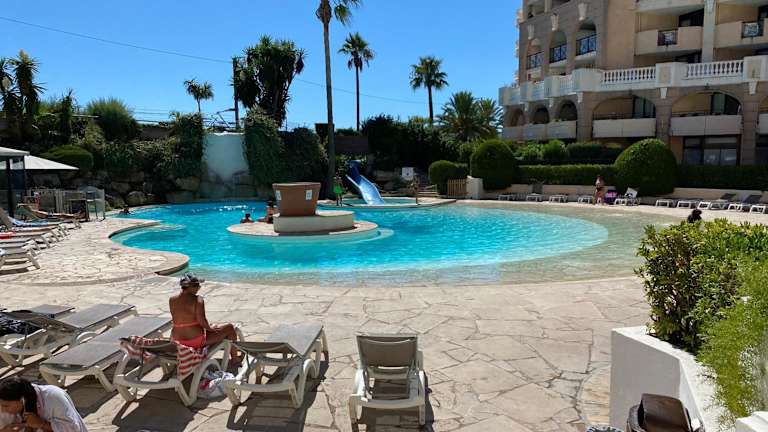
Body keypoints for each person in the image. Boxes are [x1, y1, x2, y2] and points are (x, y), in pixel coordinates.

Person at [169, 273, 240, 362]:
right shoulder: (198, 300)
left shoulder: (172, 299)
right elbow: (201, 320)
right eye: (198, 286)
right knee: (229, 328)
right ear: (191, 287)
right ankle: (235, 358)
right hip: (195, 340)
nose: (199, 288)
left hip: (177, 340)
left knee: (210, 328)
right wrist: (210, 329)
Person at [0, 376, 87, 432]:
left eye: (6, 406)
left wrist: (42, 424)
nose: (3, 409)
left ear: (22, 400)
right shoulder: (5, 404)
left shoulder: (54, 397)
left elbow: (74, 429)